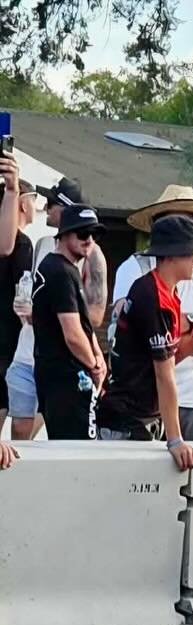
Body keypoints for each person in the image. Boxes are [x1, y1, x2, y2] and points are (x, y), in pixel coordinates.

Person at [110, 185, 193, 441]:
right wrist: (188, 332)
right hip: (141, 403)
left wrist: (182, 337)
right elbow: (157, 363)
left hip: (190, 397)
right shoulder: (144, 282)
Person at [95, 216, 193, 469]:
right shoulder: (152, 296)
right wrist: (176, 440)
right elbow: (163, 374)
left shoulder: (169, 292)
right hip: (126, 419)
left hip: (142, 416)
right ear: (173, 255)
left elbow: (164, 358)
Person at [30, 205, 107, 439]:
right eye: (83, 233)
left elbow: (83, 324)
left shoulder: (61, 268)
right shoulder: (61, 272)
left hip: (60, 376)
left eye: (94, 234)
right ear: (64, 234)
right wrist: (94, 366)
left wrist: (98, 356)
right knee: (79, 449)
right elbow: (72, 334)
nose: (89, 240)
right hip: (66, 378)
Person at [38, 177, 107, 330]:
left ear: (66, 209)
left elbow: (96, 316)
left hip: (66, 341)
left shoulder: (92, 253)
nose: (45, 208)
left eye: (51, 203)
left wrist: (48, 315)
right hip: (32, 341)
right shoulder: (43, 243)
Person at [0, 158, 35, 437]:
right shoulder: (22, 244)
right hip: (5, 342)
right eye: (34, 199)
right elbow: (21, 298)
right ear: (22, 204)